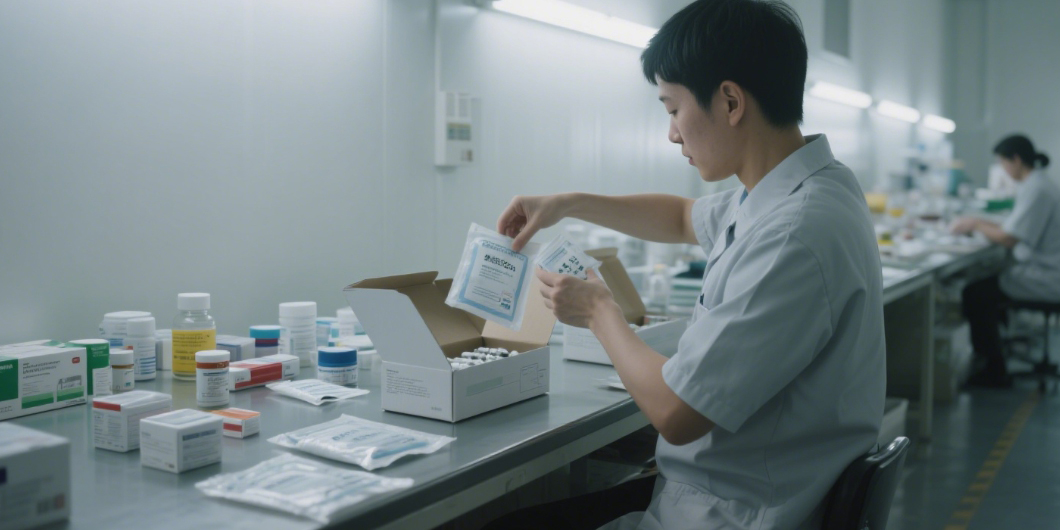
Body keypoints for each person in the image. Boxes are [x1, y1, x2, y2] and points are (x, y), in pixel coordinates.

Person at [483, 1, 885, 528]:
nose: (672, 133)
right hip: (737, 489)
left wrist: (600, 312)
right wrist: (569, 201)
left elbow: (676, 413)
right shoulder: (805, 189)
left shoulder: (792, 235)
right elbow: (679, 217)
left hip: (725, 513)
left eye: (673, 109)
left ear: (731, 101)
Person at [951, 134, 1060, 388]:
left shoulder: (1037, 189)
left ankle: (994, 369)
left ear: (1016, 160)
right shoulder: (1037, 184)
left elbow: (1009, 238)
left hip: (1048, 277)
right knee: (985, 287)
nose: (1002, 169)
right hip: (1044, 270)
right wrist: (977, 223)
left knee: (976, 294)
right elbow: (1011, 226)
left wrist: (976, 223)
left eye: (1002, 162)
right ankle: (997, 353)